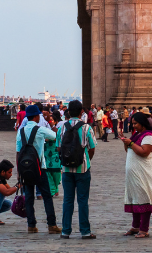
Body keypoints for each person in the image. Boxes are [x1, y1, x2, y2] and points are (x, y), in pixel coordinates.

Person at [121, 111, 152, 237]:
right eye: (132, 123)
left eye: (135, 123)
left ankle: (144, 229)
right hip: (134, 174)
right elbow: (129, 150)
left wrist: (130, 143)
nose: (133, 126)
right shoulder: (138, 135)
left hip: (144, 173)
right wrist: (126, 142)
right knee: (136, 199)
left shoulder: (149, 136)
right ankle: (135, 226)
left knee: (144, 200)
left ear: (142, 123)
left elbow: (144, 152)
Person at [14, 103, 59, 233]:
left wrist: (19, 172)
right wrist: (52, 126)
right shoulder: (40, 130)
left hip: (25, 168)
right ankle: (52, 225)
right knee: (47, 196)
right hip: (40, 167)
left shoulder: (20, 132)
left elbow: (18, 152)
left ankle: (31, 225)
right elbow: (54, 136)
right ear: (36, 117)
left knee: (29, 197)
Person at [59, 99, 97, 239]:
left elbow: (58, 147)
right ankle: (85, 231)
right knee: (82, 201)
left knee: (67, 200)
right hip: (83, 169)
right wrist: (86, 160)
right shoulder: (87, 128)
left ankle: (65, 231)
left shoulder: (62, 127)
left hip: (67, 170)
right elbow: (92, 148)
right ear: (82, 112)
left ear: (68, 111)